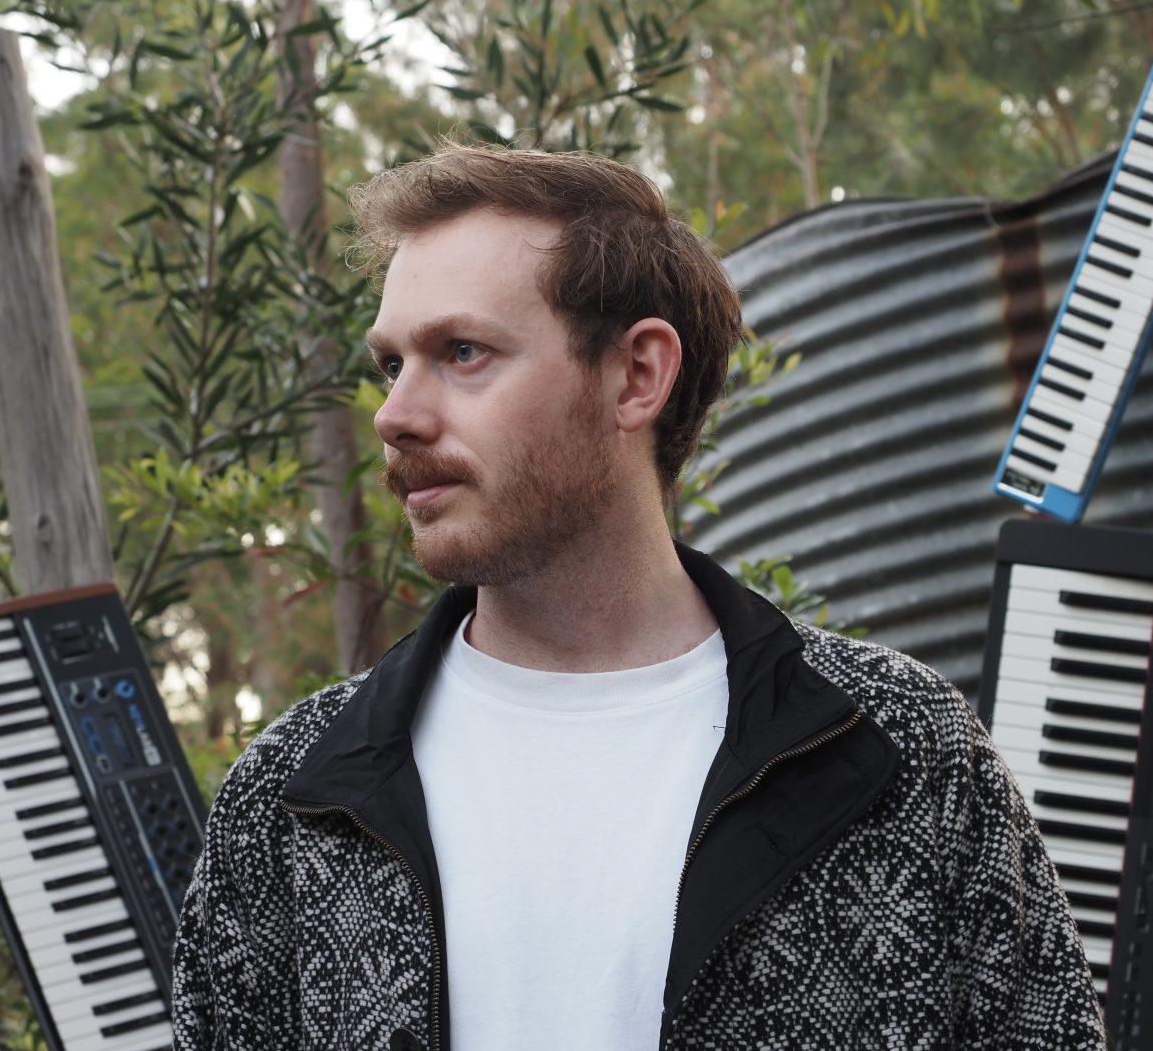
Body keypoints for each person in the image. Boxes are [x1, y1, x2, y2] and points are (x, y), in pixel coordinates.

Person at [171, 145, 1105, 1051]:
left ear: (638, 374)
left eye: (461, 351)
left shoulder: (898, 751)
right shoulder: (293, 794)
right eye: (390, 364)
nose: (395, 414)